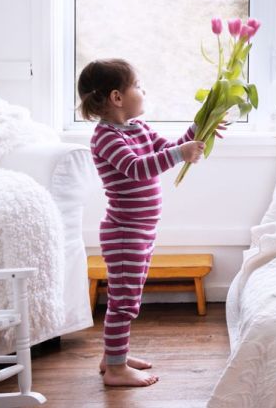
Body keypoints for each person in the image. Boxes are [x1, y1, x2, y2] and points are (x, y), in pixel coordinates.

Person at [77, 58, 217, 387]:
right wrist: (181, 153)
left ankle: (114, 356)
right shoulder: (105, 137)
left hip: (140, 232)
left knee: (128, 299)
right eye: (138, 85)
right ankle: (115, 370)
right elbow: (139, 168)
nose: (143, 91)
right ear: (117, 97)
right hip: (124, 233)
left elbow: (167, 150)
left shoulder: (138, 128)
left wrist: (199, 129)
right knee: (123, 303)